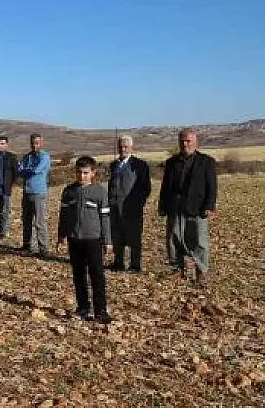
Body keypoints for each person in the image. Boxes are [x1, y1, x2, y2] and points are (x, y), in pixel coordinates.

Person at [57, 156, 113, 323]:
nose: (82, 176)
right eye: (79, 173)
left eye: (85, 173)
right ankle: (82, 307)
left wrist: (107, 240)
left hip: (93, 239)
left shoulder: (99, 191)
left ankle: (101, 310)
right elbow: (64, 215)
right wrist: (62, 235)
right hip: (75, 239)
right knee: (78, 275)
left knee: (97, 275)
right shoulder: (69, 191)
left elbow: (105, 217)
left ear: (93, 173)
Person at [159, 129, 217, 285]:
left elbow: (212, 187)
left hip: (197, 207)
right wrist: (162, 205)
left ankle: (201, 272)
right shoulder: (171, 162)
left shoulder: (207, 162)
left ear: (195, 142)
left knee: (199, 241)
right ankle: (177, 269)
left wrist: (209, 206)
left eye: (188, 141)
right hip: (175, 207)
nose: (185, 144)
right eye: (182, 141)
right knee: (173, 239)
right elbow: (165, 187)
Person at [107, 136, 151, 272]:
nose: (122, 149)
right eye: (120, 147)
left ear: (131, 147)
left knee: (134, 236)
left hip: (131, 207)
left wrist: (138, 203)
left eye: (125, 147)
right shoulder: (114, 164)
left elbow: (146, 187)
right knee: (116, 234)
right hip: (114, 206)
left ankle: (135, 265)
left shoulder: (139, 165)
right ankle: (118, 262)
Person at [18, 133, 52, 256]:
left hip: (38, 192)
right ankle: (27, 245)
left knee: (39, 221)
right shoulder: (27, 156)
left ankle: (43, 248)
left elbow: (36, 170)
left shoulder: (44, 157)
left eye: (37, 143)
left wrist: (28, 171)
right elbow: (20, 170)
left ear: (41, 143)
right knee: (26, 220)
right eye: (32, 143)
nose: (34, 145)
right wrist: (28, 171)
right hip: (27, 191)